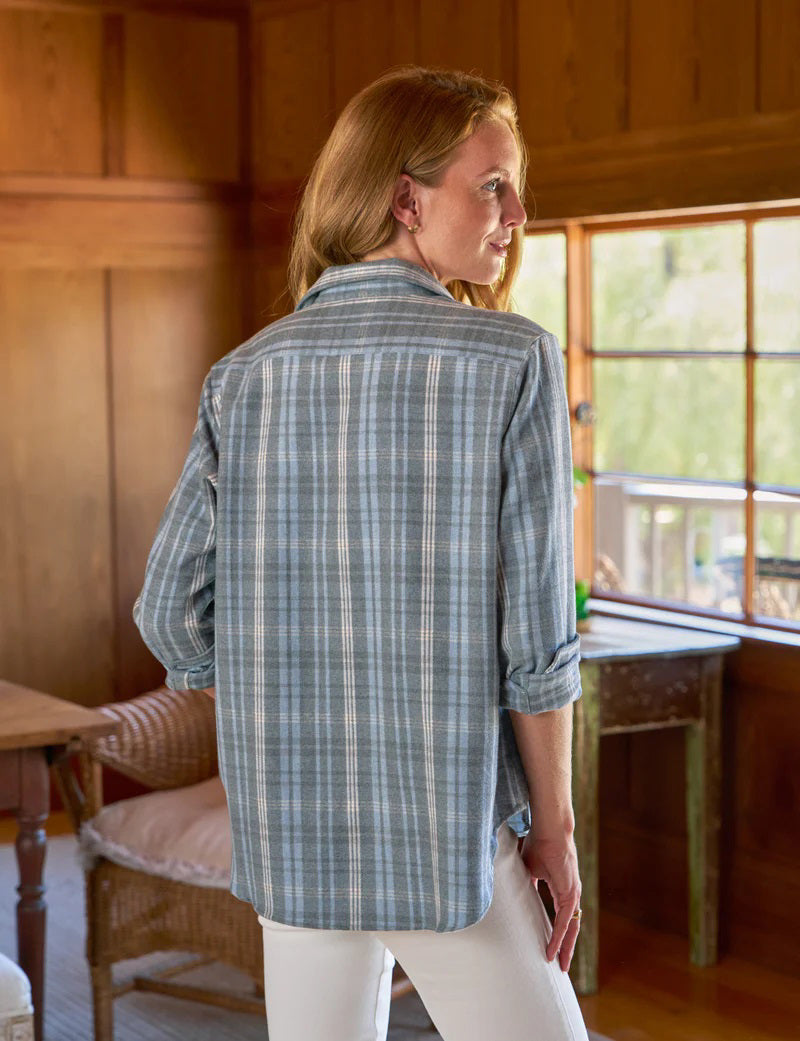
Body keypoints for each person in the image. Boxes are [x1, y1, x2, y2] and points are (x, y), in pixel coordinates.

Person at [133, 64, 590, 1041]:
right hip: (440, 830)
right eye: (491, 184)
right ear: (402, 199)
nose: (515, 213)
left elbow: (168, 606)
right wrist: (552, 833)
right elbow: (537, 647)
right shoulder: (510, 360)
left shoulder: (242, 376)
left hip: (289, 824)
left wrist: (281, 700)